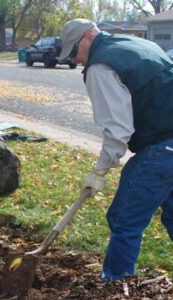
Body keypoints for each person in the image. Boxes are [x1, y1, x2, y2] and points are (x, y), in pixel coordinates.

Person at [59, 18, 173, 280]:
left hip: (163, 146)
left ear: (87, 37)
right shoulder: (136, 43)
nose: (76, 60)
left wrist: (99, 171)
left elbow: (118, 129)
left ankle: (115, 286)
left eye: (74, 52)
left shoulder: (101, 65)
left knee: (125, 219)